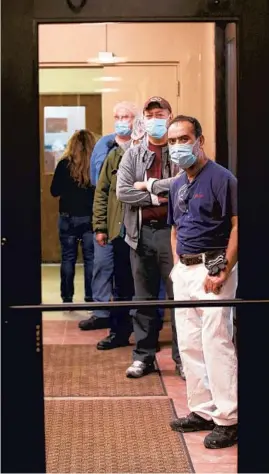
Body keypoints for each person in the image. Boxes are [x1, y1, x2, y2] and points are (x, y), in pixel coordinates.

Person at [167, 115, 238, 449]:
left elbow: (238, 224)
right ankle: (201, 410)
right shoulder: (178, 183)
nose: (178, 146)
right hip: (185, 272)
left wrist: (224, 268)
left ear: (200, 140)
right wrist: (178, 266)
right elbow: (175, 228)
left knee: (217, 342)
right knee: (189, 344)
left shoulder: (222, 179)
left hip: (213, 272)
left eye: (184, 138)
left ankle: (228, 417)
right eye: (172, 141)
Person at [116, 96, 184, 379]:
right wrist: (157, 194)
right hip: (140, 234)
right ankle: (144, 356)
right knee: (142, 300)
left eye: (160, 113)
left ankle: (183, 360)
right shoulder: (133, 154)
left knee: (179, 300)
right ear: (144, 119)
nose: (155, 118)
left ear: (169, 116)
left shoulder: (180, 151)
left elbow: (184, 187)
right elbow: (123, 192)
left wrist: (150, 186)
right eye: (150, 114)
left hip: (174, 236)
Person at [78, 102, 139, 331]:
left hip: (134, 221)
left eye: (126, 116)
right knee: (103, 266)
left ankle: (137, 316)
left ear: (135, 119)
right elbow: (100, 187)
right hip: (109, 219)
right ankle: (102, 312)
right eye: (117, 116)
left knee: (135, 272)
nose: (122, 121)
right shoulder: (105, 145)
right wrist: (100, 225)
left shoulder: (143, 146)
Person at [50, 129, 96, 305]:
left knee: (68, 258)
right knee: (90, 259)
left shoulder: (64, 164)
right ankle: (90, 297)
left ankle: (67, 298)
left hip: (67, 218)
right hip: (89, 219)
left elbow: (54, 191)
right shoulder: (95, 164)